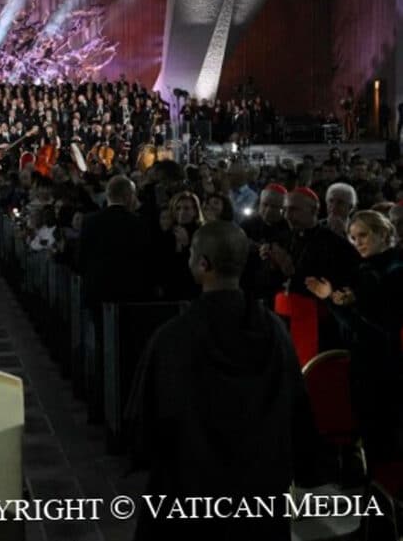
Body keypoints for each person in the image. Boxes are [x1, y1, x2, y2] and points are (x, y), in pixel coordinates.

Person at [125, 221, 323, 541]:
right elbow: (297, 408)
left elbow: (144, 421)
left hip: (190, 497)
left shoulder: (173, 337)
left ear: (203, 263)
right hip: (259, 494)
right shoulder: (274, 331)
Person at [305, 210, 403, 463]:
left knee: (384, 444)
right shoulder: (368, 269)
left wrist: (334, 302)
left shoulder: (392, 272)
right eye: (352, 237)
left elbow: (369, 331)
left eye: (363, 235)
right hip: (371, 364)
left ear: (383, 234)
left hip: (384, 368)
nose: (358, 242)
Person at [77, 175, 152, 302]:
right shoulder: (138, 223)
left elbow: (81, 256)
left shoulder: (90, 221)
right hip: (129, 292)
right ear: (129, 195)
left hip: (97, 289)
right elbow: (145, 257)